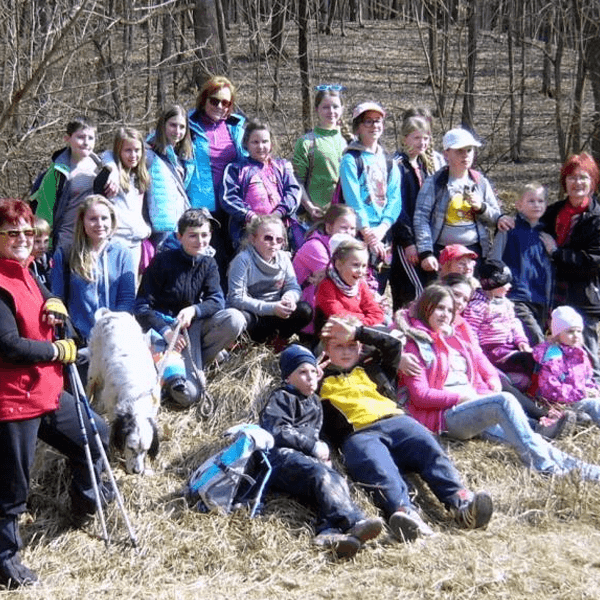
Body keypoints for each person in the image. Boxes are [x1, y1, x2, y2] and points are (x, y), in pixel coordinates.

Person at [0, 198, 110, 589]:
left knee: (94, 433)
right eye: (12, 233)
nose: (22, 239)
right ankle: (5, 559)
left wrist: (54, 301)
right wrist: (55, 351)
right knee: (12, 486)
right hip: (12, 400)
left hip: (45, 391)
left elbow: (46, 302)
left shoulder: (27, 273)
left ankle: (82, 507)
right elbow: (8, 346)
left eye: (28, 232)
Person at [319, 315, 493, 541]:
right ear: (326, 349)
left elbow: (392, 345)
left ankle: (462, 504)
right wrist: (315, 360)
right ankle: (405, 514)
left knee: (429, 449)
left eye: (351, 345)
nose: (346, 351)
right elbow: (296, 377)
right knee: (379, 468)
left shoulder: (372, 367)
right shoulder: (318, 379)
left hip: (398, 421)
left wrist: (357, 332)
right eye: (338, 346)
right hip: (359, 434)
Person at [401, 284, 600, 479]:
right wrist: (463, 397)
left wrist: (490, 382)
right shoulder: (416, 343)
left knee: (530, 438)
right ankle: (544, 466)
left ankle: (586, 470)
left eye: (449, 310)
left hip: (473, 406)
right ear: (426, 307)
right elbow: (421, 396)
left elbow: (479, 361)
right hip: (445, 416)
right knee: (504, 401)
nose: (445, 314)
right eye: (439, 308)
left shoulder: (456, 338)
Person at [259, 344, 383, 558]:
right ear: (288, 378)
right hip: (279, 460)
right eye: (302, 372)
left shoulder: (315, 402)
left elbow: (315, 434)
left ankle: (328, 531)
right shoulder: (282, 397)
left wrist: (321, 454)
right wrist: (312, 447)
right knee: (321, 474)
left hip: (304, 462)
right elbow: (277, 430)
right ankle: (354, 521)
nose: (310, 378)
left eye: (313, 372)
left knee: (335, 479)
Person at [436, 273, 573, 439]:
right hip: (455, 387)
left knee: (500, 383)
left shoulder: (459, 323)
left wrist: (491, 375)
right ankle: (537, 425)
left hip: (472, 373)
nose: (459, 302)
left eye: (464, 299)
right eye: (456, 294)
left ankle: (542, 418)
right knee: (499, 398)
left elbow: (476, 354)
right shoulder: (430, 318)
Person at [136, 208, 246, 407]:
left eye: (204, 235)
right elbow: (142, 307)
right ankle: (179, 371)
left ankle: (196, 364)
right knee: (188, 396)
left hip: (192, 328)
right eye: (192, 235)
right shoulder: (162, 262)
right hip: (164, 331)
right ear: (180, 236)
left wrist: (195, 310)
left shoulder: (209, 263)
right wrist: (167, 331)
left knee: (235, 319)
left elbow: (217, 300)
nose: (200, 241)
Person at [413, 127, 509, 276]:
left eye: (469, 150)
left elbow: (496, 219)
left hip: (473, 252)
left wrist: (481, 207)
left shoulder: (480, 182)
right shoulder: (434, 182)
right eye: (459, 151)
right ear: (446, 154)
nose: (465, 155)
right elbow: (421, 218)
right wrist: (426, 252)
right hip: (442, 253)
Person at [539, 153, 600, 379]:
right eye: (572, 177)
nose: (577, 183)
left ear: (592, 182)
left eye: (583, 177)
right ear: (564, 182)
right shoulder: (552, 212)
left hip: (584, 295)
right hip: (553, 291)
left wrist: (556, 252)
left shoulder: (596, 218)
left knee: (587, 357)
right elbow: (528, 221)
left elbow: (593, 261)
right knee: (555, 351)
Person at [50, 195, 136, 343]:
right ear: (82, 221)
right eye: (93, 219)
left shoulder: (123, 253)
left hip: (114, 338)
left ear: (112, 220)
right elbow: (58, 297)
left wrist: (114, 331)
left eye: (104, 218)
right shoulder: (66, 253)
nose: (99, 224)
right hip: (78, 339)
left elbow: (126, 299)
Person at [186, 76, 246, 281]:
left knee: (234, 255)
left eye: (226, 102)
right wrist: (111, 164)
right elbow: (149, 146)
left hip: (232, 202)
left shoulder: (236, 127)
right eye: (214, 100)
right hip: (203, 204)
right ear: (204, 99)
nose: (220, 106)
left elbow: (254, 154)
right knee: (211, 257)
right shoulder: (187, 125)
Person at [339, 101, 402, 292]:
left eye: (378, 121)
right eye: (368, 121)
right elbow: (353, 199)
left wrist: (382, 228)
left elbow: (395, 199)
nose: (374, 126)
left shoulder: (390, 162)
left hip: (384, 232)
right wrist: (367, 232)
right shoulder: (351, 159)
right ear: (358, 127)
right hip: (359, 232)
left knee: (379, 284)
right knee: (358, 285)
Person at [30, 116, 116, 251]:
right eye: (80, 137)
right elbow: (44, 214)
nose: (86, 142)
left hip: (94, 241)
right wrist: (45, 248)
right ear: (67, 139)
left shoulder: (102, 168)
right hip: (66, 242)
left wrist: (113, 175)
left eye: (91, 138)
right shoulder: (57, 172)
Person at [227, 215, 312, 347]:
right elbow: (236, 299)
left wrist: (289, 298)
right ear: (253, 239)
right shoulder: (242, 260)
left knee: (305, 310)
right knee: (240, 318)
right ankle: (244, 345)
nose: (274, 243)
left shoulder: (283, 258)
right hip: (253, 314)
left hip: (276, 311)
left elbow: (293, 287)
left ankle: (277, 343)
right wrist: (271, 308)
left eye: (279, 240)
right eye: (268, 238)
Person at [391, 109, 445, 309]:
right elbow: (397, 206)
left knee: (429, 289)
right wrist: (408, 242)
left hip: (425, 240)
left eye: (425, 138)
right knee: (413, 294)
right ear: (405, 138)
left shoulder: (425, 165)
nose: (421, 143)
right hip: (404, 242)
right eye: (416, 138)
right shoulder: (397, 166)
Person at [222, 121, 302, 250]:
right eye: (255, 142)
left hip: (280, 229)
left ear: (271, 143)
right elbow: (228, 197)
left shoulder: (282, 166)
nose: (260, 146)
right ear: (246, 144)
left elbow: (293, 192)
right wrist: (250, 215)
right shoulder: (236, 169)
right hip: (249, 231)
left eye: (265, 141)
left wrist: (278, 213)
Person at [490, 182, 552, 345]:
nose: (537, 205)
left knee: (528, 344)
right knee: (538, 340)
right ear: (519, 205)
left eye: (541, 201)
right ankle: (548, 369)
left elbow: (549, 269)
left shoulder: (546, 235)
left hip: (540, 299)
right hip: (516, 296)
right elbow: (495, 260)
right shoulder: (509, 228)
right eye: (531, 201)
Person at [461, 259, 535, 391]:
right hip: (492, 352)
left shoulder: (505, 303)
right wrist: (477, 354)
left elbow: (514, 323)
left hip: (509, 347)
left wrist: (521, 341)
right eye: (505, 283)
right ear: (493, 284)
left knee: (534, 359)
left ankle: (532, 388)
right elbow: (470, 331)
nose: (509, 286)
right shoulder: (478, 305)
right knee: (528, 359)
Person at [292, 205, 357, 336]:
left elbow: (359, 277)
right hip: (307, 312)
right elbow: (340, 280)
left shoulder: (347, 250)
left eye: (353, 229)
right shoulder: (315, 246)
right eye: (344, 228)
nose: (349, 233)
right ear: (329, 228)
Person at [532, 306, 600, 426]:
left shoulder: (580, 354)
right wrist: (581, 393)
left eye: (579, 331)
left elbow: (588, 378)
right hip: (563, 405)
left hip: (582, 398)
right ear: (557, 334)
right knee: (594, 405)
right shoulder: (553, 356)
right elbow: (550, 389)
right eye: (570, 331)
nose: (576, 335)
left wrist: (594, 390)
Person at [293, 85, 348, 222]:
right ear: (317, 109)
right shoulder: (306, 142)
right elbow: (297, 181)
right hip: (317, 216)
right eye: (325, 107)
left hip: (345, 217)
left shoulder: (349, 142)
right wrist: (309, 206)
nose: (331, 111)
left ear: (342, 109)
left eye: (335, 107)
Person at [101, 127, 151, 272]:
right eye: (127, 150)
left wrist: (145, 228)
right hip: (115, 241)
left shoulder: (141, 176)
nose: (133, 155)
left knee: (131, 289)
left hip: (136, 243)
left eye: (137, 150)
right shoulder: (108, 178)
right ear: (118, 152)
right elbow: (106, 154)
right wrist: (113, 170)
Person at [146, 104, 195, 248]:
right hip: (162, 226)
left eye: (182, 127)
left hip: (181, 223)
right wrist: (110, 167)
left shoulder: (185, 156)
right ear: (163, 125)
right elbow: (114, 154)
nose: (177, 131)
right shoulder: (148, 152)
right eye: (173, 125)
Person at [314, 236, 384, 333]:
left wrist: (362, 323)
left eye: (364, 266)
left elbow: (377, 313)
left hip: (360, 333)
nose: (361, 271)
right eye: (355, 265)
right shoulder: (327, 286)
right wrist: (364, 318)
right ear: (339, 265)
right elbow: (339, 317)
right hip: (334, 339)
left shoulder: (360, 285)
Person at [30, 216, 52, 287]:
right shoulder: (28, 266)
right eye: (37, 241)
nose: (42, 246)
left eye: (46, 241)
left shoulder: (48, 260)